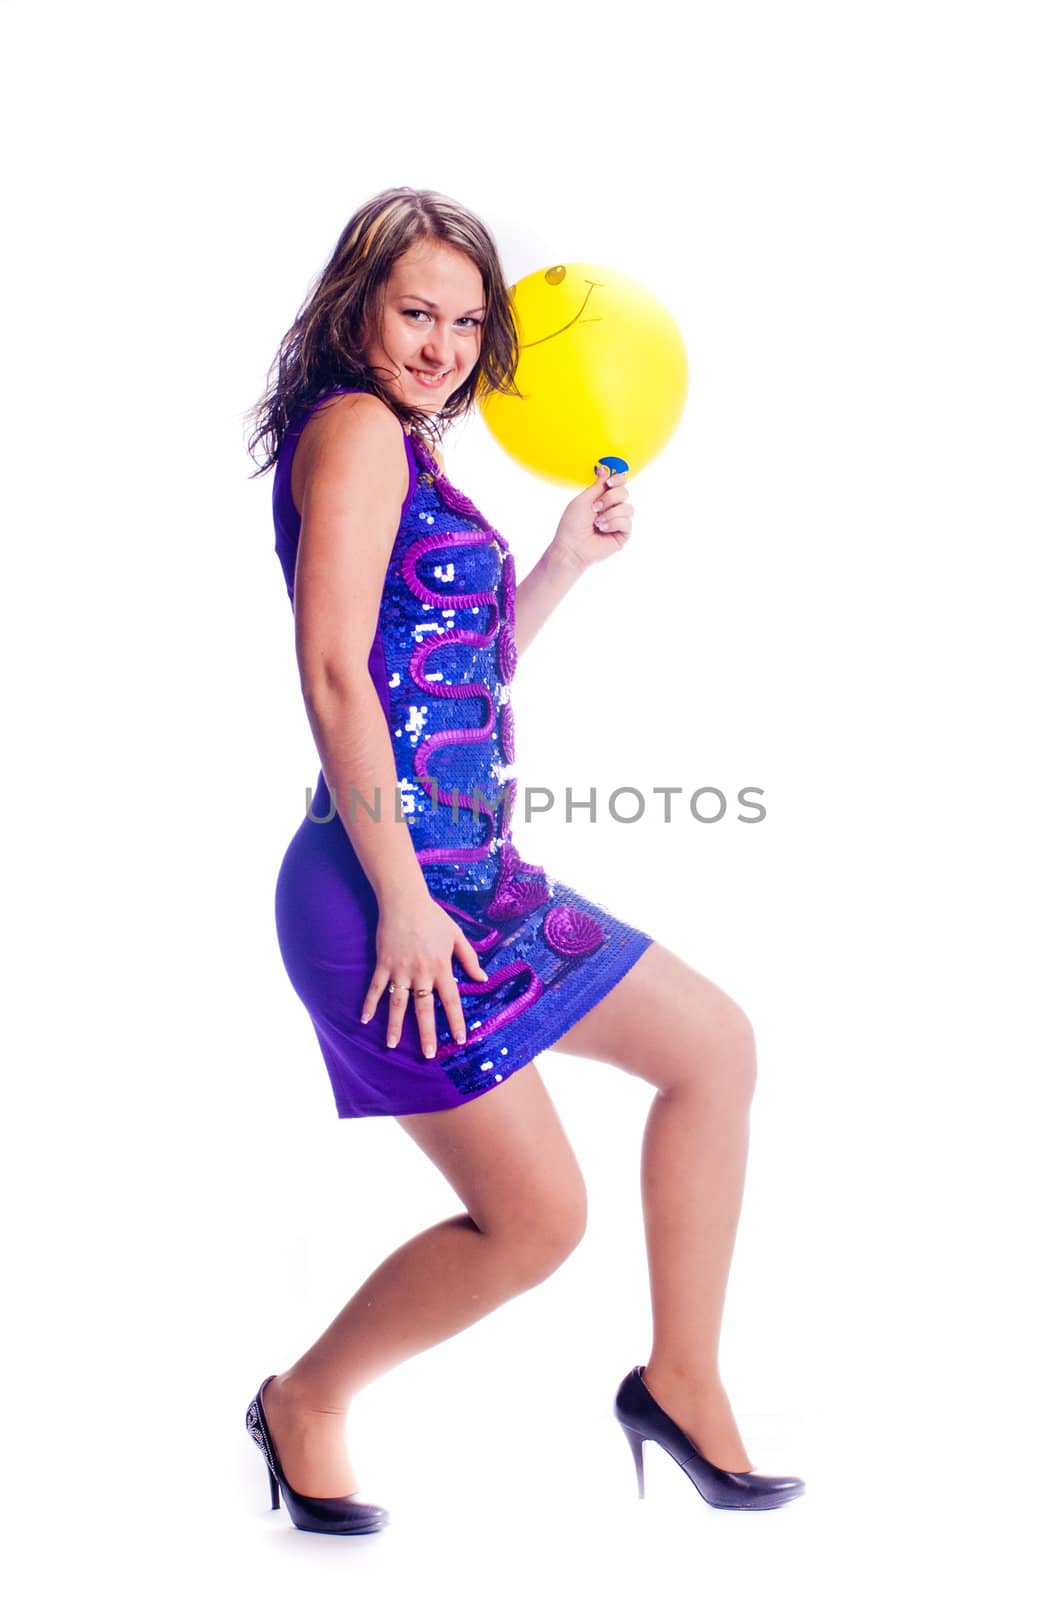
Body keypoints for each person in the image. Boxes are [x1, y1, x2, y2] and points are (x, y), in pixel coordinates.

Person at [242, 186, 804, 1535]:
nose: (440, 345)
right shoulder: (356, 432)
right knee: (538, 1223)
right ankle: (304, 1403)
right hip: (385, 891)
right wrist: (402, 902)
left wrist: (556, 569)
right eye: (414, 312)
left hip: (470, 876)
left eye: (463, 321)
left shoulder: (412, 456)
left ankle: (681, 1378)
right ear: (357, 310)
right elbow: (331, 676)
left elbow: (450, 682)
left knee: (712, 1049)